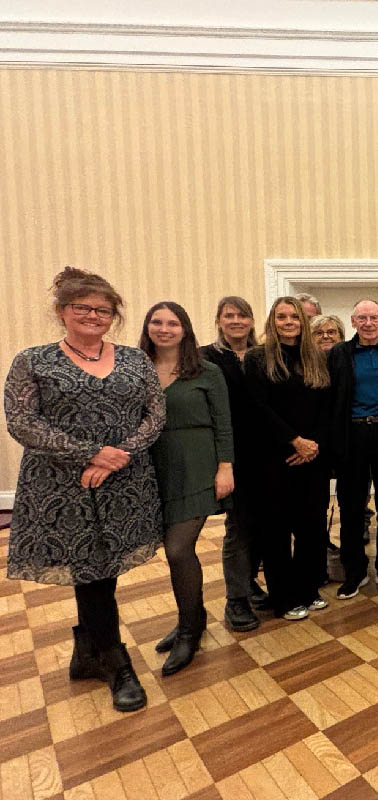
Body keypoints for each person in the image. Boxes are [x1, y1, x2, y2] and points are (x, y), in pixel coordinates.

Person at [5, 267, 164, 712]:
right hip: (62, 483)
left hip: (123, 482)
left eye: (103, 310)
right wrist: (92, 454)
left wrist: (120, 455)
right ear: (62, 312)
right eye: (83, 308)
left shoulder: (134, 359)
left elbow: (154, 413)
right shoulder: (32, 360)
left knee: (101, 566)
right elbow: (22, 422)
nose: (94, 315)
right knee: (90, 568)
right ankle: (115, 661)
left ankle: (86, 651)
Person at [140, 302, 234, 676]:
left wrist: (225, 466)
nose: (164, 329)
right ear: (147, 327)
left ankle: (190, 630)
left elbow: (223, 422)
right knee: (172, 549)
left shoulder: (206, 371)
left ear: (185, 328)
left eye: (173, 323)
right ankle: (191, 617)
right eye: (157, 322)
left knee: (179, 549)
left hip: (198, 463)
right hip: (153, 467)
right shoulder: (138, 370)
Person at [243, 296, 333, 621]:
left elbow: (327, 407)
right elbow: (257, 407)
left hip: (313, 458)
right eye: (282, 316)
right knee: (277, 531)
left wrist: (314, 444)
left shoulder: (316, 358)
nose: (289, 321)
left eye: (294, 316)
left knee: (311, 529)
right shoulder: (257, 359)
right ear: (272, 321)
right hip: (275, 459)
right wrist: (294, 442)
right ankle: (283, 597)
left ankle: (308, 589)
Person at [325, 300, 378, 597]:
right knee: (351, 507)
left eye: (374, 317)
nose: (369, 323)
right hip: (353, 435)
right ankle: (355, 571)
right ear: (353, 321)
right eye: (363, 317)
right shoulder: (338, 354)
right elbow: (331, 399)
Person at [199, 297, 266, 629]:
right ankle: (235, 599)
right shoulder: (204, 357)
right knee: (238, 528)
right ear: (219, 320)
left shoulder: (264, 355)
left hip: (267, 453)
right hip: (229, 454)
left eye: (243, 315)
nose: (237, 321)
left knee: (262, 526)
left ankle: (251, 581)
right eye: (229, 315)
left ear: (252, 321)